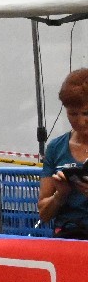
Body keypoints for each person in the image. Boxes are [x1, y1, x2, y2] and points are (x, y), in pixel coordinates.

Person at [38, 68, 88, 238]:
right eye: (72, 114)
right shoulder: (55, 148)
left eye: (86, 113)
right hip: (67, 234)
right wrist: (60, 194)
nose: (81, 121)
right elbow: (44, 214)